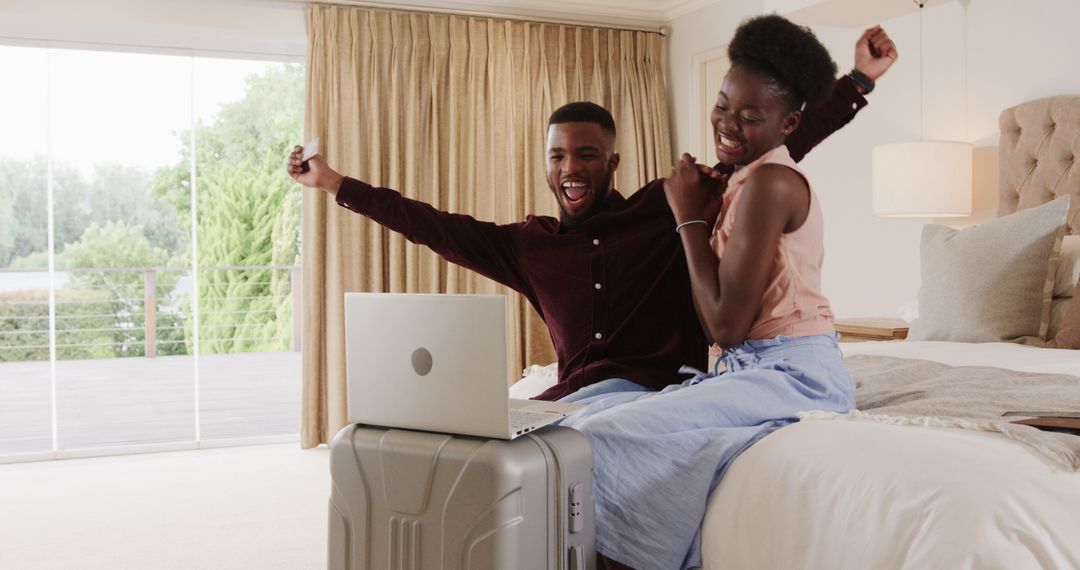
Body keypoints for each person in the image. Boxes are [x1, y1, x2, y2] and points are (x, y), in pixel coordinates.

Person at [286, 27, 896, 403]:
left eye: (586, 155)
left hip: (660, 391)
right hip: (576, 394)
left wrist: (858, 82)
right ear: (546, 165)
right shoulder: (528, 247)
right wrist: (334, 183)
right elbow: (430, 226)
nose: (571, 169)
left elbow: (774, 144)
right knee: (479, 448)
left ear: (613, 162)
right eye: (558, 157)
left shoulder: (666, 206)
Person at [559, 14, 866, 570]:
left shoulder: (770, 182)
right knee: (574, 424)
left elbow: (726, 326)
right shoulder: (743, 177)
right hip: (749, 370)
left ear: (788, 123)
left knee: (597, 438)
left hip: (793, 374)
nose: (728, 123)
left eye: (749, 117)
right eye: (723, 105)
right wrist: (862, 78)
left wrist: (687, 218)